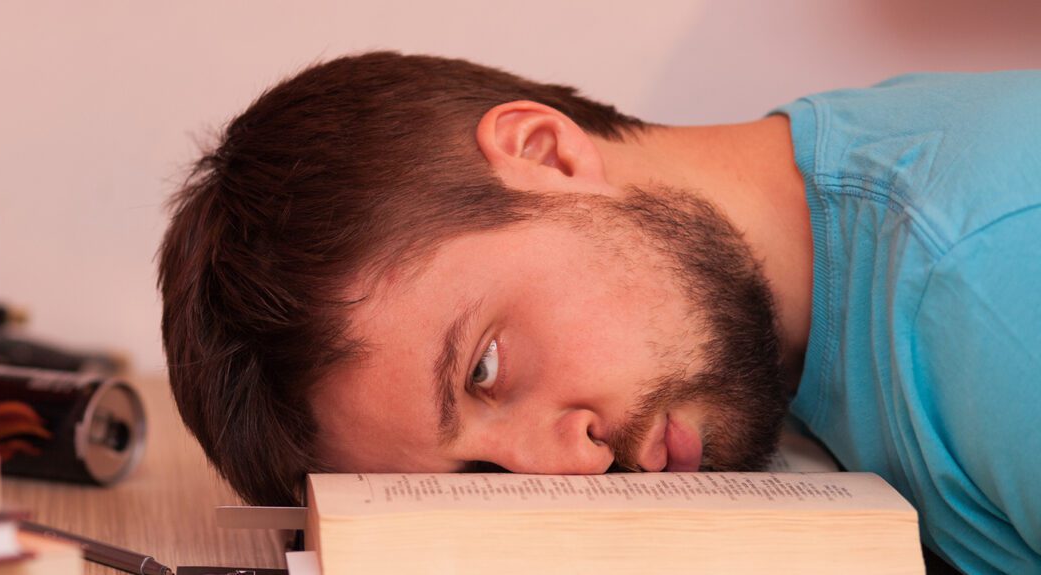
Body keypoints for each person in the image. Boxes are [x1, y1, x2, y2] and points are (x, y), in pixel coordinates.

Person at [156, 52, 1040, 572]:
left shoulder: (991, 278)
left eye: (486, 369)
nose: (565, 469)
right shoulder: (810, 230)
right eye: (476, 481)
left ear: (545, 152)